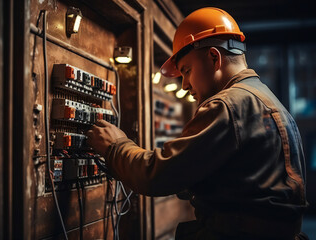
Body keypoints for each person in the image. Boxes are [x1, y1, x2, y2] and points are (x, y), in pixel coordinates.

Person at [86, 7, 309, 240]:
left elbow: (157, 176)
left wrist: (116, 145)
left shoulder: (227, 105)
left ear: (214, 57)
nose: (184, 85)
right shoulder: (268, 101)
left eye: (187, 71)